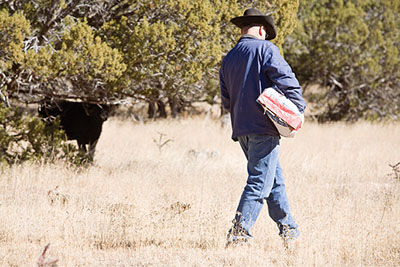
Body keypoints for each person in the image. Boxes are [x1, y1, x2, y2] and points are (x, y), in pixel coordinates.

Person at [219, 8, 306, 246]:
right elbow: (287, 80)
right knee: (259, 182)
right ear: (261, 29)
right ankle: (238, 233)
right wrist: (298, 110)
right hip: (264, 128)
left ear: (243, 29)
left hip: (241, 130)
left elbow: (226, 100)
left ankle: (289, 231)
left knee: (273, 181)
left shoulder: (229, 58)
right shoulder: (267, 49)